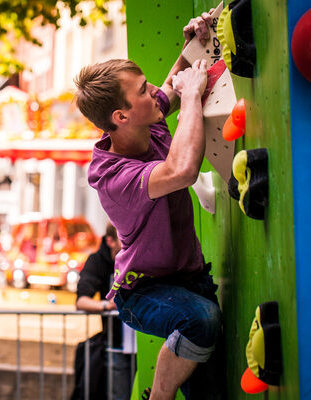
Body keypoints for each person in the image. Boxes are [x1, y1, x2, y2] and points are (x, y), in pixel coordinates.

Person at [74, 9, 224, 400]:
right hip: (142, 293)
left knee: (209, 388)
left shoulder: (146, 118)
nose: (153, 92)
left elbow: (174, 83)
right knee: (202, 319)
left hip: (189, 278)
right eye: (141, 91)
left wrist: (198, 39)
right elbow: (182, 170)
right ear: (121, 116)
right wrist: (192, 95)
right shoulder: (112, 176)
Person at [73, 224, 136, 400]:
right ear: (110, 241)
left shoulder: (138, 255)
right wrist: (107, 306)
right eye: (123, 237)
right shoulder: (98, 261)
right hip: (117, 346)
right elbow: (81, 301)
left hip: (149, 342)